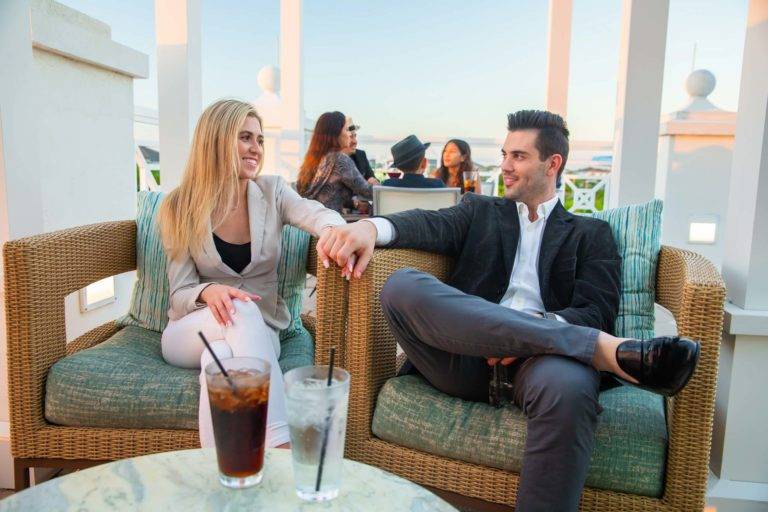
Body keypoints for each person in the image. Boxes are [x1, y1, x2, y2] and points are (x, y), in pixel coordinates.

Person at [314, 110, 700, 511]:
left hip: (543, 368)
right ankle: (604, 350)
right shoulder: (480, 211)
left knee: (571, 389)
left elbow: (597, 311)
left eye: (518, 156)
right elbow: (427, 224)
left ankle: (566, 343)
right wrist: (372, 228)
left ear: (553, 164)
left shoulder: (591, 234)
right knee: (402, 287)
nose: (505, 166)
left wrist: (534, 330)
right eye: (504, 154)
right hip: (460, 356)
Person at [158, 99, 346, 449]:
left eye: (259, 140)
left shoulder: (273, 192)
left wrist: (338, 232)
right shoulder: (179, 206)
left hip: (261, 330)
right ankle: (279, 443)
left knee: (219, 360)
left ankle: (219, 475)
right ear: (216, 140)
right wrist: (209, 290)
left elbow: (314, 213)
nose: (255, 148)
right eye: (245, 137)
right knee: (236, 312)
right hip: (190, 329)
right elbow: (180, 292)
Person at [297, 111, 373, 212]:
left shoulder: (313, 159)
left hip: (309, 221)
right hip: (327, 223)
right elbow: (367, 192)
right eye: (347, 130)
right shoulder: (339, 160)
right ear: (336, 133)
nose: (349, 134)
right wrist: (378, 186)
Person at [343, 119, 380, 185]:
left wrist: (374, 181)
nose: (355, 141)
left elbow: (372, 179)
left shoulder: (361, 155)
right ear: (340, 139)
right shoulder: (329, 161)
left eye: (355, 136)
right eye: (350, 137)